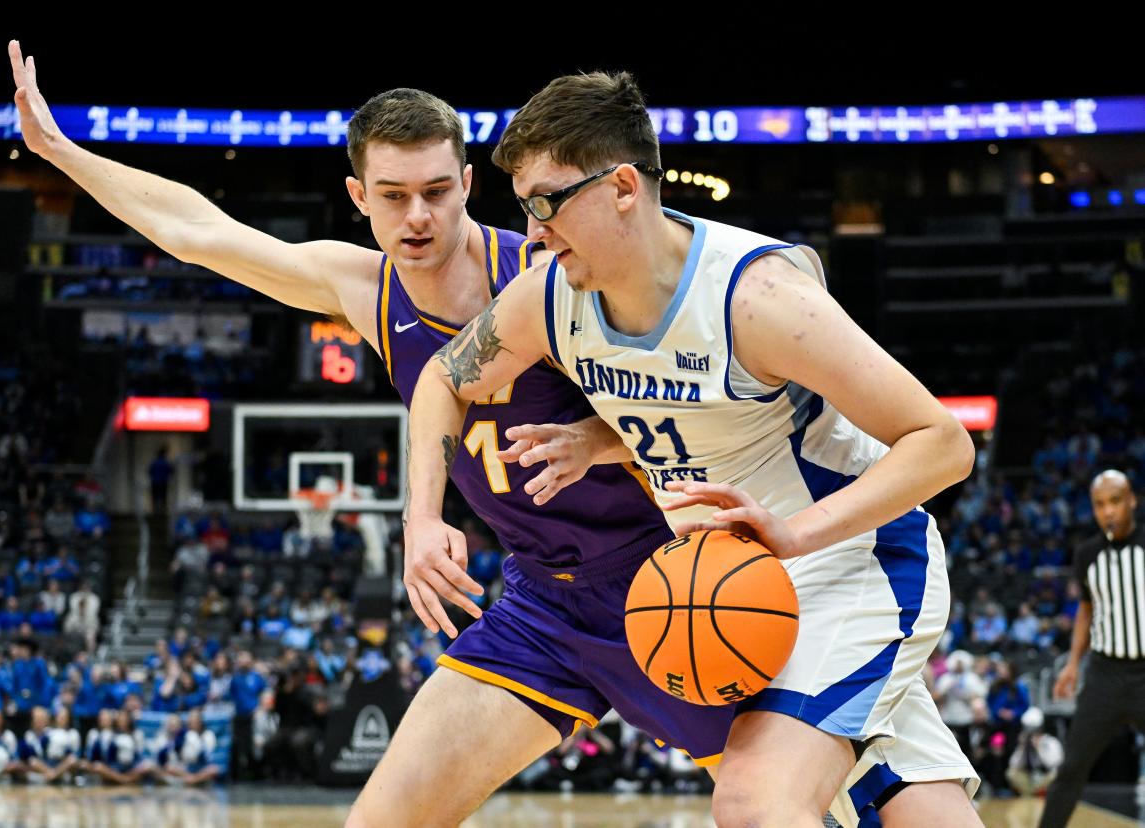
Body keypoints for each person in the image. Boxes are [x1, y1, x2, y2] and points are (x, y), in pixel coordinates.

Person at [9, 41, 736, 827]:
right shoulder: (364, 290)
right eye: (393, 196)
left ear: (467, 183)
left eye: (434, 191)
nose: (417, 216)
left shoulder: (548, 273)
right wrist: (58, 150)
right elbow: (196, 229)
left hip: (667, 581)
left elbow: (701, 417)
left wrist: (597, 436)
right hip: (541, 604)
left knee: (811, 802)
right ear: (359, 196)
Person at [405, 71, 980, 827]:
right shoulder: (551, 296)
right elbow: (444, 379)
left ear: (619, 188)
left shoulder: (756, 300)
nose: (534, 231)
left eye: (547, 202)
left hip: (851, 560)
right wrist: (424, 515)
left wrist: (795, 535)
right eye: (524, 208)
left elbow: (942, 443)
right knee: (903, 798)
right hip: (738, 570)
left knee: (755, 798)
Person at [1040, 470, 1145, 827]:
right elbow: (1086, 610)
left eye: (1115, 501)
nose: (1108, 511)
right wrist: (1072, 665)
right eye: (1100, 505)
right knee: (1071, 768)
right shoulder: (1087, 554)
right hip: (1104, 675)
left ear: (1132, 500)